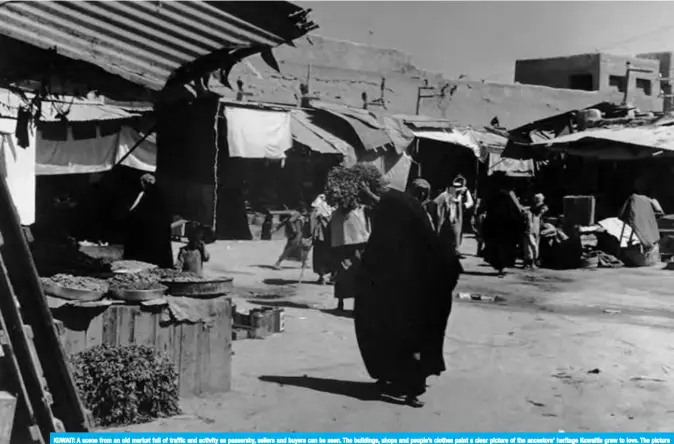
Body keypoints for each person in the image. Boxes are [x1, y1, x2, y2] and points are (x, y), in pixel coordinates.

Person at [354, 178, 462, 408]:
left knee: (402, 341)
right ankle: (395, 382)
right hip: (404, 301)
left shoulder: (396, 235)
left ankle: (408, 387)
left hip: (406, 302)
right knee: (400, 340)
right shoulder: (414, 224)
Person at [123, 174, 174, 268]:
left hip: (149, 233)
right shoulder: (162, 193)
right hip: (161, 232)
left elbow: (136, 211)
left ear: (144, 183)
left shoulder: (146, 194)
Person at [330, 197, 371, 311]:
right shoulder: (340, 213)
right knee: (345, 274)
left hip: (354, 247)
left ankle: (347, 303)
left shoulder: (361, 210)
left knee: (351, 274)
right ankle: (342, 302)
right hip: (347, 248)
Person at [481, 174, 526, 277]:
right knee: (503, 249)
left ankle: (501, 267)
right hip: (503, 228)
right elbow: (518, 211)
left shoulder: (493, 195)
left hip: (500, 227)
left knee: (498, 248)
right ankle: (501, 267)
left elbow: (485, 209)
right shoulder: (509, 195)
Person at [434, 175, 474, 259]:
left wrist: (464, 205)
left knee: (457, 231)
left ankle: (456, 249)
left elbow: (470, 202)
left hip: (458, 214)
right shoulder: (448, 191)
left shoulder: (465, 191)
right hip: (446, 213)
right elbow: (437, 201)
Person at [310, 194, 335, 285]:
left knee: (320, 256)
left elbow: (312, 222)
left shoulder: (317, 210)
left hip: (321, 237)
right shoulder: (334, 210)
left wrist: (312, 235)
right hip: (332, 236)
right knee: (332, 255)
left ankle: (322, 277)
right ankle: (332, 276)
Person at [522, 193, 548, 270]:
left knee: (534, 244)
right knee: (528, 245)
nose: (536, 200)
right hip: (530, 227)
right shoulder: (533, 207)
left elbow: (540, 213)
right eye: (536, 199)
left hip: (536, 227)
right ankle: (528, 262)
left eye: (538, 199)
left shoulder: (543, 207)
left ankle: (532, 262)